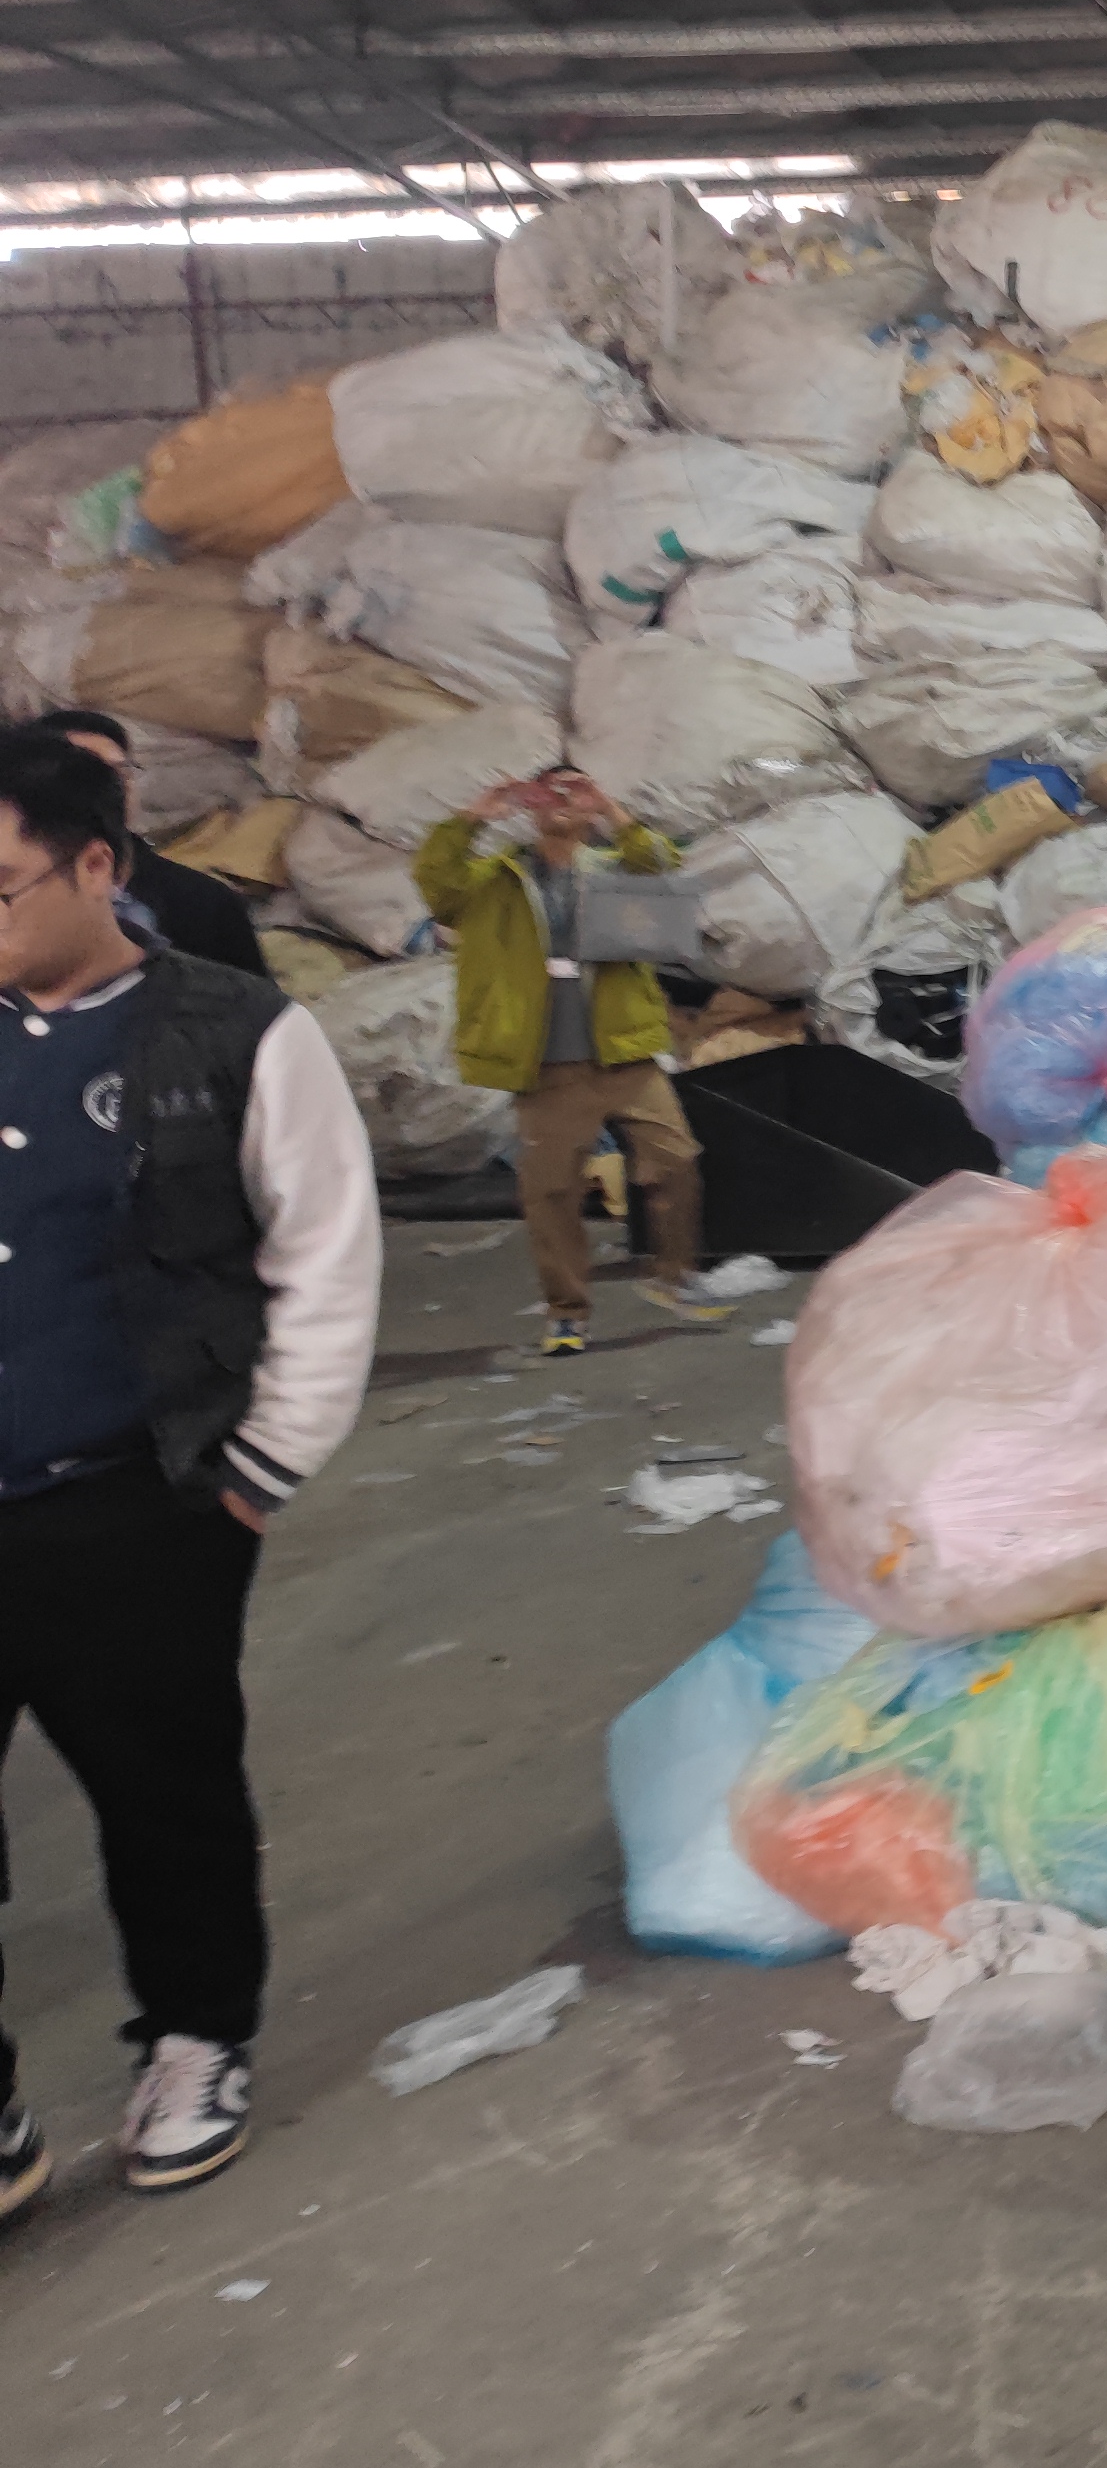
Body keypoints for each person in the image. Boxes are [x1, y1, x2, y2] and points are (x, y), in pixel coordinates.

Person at [0, 725, 377, 2220]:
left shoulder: (235, 1033)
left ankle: (195, 2040)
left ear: (96, 864)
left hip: (137, 1496)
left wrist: (256, 1472)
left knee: (164, 1793)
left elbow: (327, 1261)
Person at [411, 767, 720, 1355]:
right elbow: (436, 882)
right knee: (552, 1192)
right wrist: (474, 817)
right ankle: (566, 1313)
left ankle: (673, 1276)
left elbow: (666, 869)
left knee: (676, 1159)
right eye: (549, 791)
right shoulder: (493, 881)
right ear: (530, 806)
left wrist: (612, 812)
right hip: (547, 1064)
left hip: (623, 1051)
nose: (561, 801)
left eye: (574, 791)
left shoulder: (614, 873)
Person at [33, 710, 273, 979]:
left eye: (121, 773)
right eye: (88, 775)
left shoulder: (204, 904)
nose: (112, 789)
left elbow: (254, 1000)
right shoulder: (16, 897)